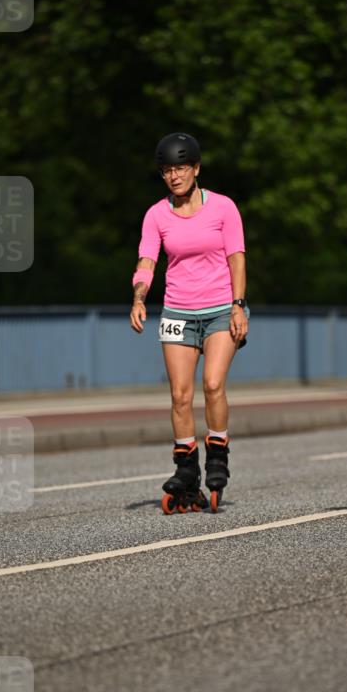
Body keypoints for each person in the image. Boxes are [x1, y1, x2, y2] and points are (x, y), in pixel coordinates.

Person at [130, 132, 248, 514]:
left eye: (180, 168)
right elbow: (148, 259)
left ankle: (217, 454)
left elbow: (237, 259)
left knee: (213, 384)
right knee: (180, 395)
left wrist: (238, 305)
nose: (174, 176)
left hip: (218, 309)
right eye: (167, 170)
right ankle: (185, 470)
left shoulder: (224, 208)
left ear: (196, 169)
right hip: (178, 311)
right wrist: (139, 296)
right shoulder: (156, 215)